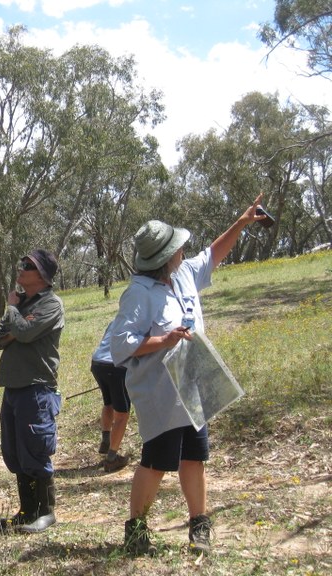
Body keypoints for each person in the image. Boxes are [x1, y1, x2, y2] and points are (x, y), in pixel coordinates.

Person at [110, 195, 267, 555]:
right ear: (164, 257)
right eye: (178, 248)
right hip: (160, 392)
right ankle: (136, 532)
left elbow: (213, 254)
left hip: (191, 381)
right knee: (155, 462)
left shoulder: (182, 275)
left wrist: (242, 222)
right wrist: (163, 339)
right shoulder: (138, 294)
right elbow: (121, 345)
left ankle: (200, 526)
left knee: (194, 458)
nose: (184, 251)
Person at [0, 249, 64, 533]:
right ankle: (27, 510)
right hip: (13, 388)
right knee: (15, 452)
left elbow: (23, 333)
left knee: (35, 449)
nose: (21, 268)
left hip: (36, 388)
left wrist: (11, 312)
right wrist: (15, 328)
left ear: (43, 275)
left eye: (28, 266)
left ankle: (46, 512)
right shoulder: (23, 305)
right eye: (22, 263)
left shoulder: (51, 304)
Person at [91, 320, 131, 473]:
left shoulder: (116, 320)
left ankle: (106, 440)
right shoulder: (142, 321)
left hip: (97, 363)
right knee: (122, 414)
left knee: (109, 403)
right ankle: (112, 459)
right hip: (116, 366)